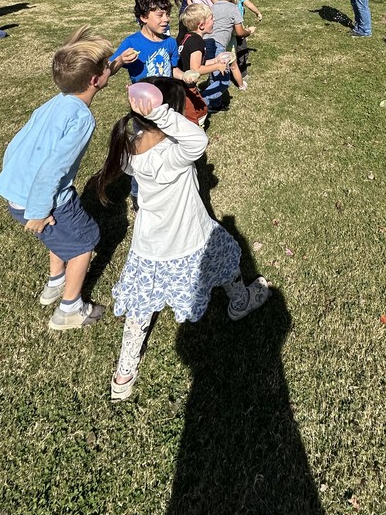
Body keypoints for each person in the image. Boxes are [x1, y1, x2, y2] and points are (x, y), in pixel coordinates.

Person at [94, 77, 270, 401]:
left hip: (150, 246)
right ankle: (240, 302)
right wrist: (162, 114)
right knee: (227, 257)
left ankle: (124, 374)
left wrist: (149, 117)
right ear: (169, 113)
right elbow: (197, 141)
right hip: (192, 236)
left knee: (140, 309)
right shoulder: (174, 154)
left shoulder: (131, 149)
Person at [0, 26, 114, 330]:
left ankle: (56, 282)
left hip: (15, 192)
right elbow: (53, 168)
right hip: (43, 200)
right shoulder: (82, 118)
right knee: (85, 240)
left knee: (59, 237)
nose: (111, 69)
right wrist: (38, 210)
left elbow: (17, 144)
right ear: (95, 80)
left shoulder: (56, 102)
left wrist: (19, 191)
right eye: (108, 66)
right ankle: (69, 309)